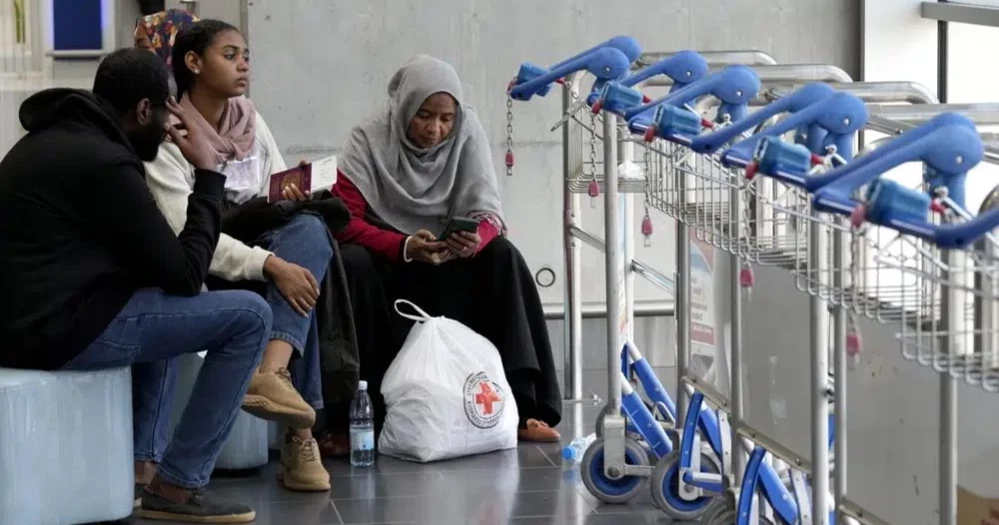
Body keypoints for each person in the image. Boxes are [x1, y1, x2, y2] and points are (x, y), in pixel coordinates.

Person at [0, 48, 271, 523]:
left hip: (24, 323)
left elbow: (158, 267)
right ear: (144, 110)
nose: (171, 127)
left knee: (156, 296)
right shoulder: (105, 163)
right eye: (168, 111)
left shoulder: (45, 143)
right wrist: (208, 174)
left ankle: (144, 464)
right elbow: (186, 275)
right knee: (251, 316)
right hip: (59, 332)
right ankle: (180, 485)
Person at [332, 55, 562, 443]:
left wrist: (474, 241)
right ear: (404, 108)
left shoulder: (467, 131)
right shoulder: (368, 139)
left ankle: (522, 409)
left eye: (445, 119)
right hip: (389, 263)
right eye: (423, 116)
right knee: (350, 263)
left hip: (450, 260)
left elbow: (489, 214)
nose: (435, 129)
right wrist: (404, 245)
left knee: (502, 255)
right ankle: (359, 418)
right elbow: (344, 221)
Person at [143, 19, 332, 492]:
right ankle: (301, 435)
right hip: (203, 264)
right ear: (193, 62)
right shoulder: (170, 135)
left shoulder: (250, 119)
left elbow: (274, 192)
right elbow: (185, 233)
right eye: (230, 55)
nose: (243, 65)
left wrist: (294, 190)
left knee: (310, 232)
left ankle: (272, 372)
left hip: (257, 249)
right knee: (293, 278)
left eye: (246, 55)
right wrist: (271, 264)